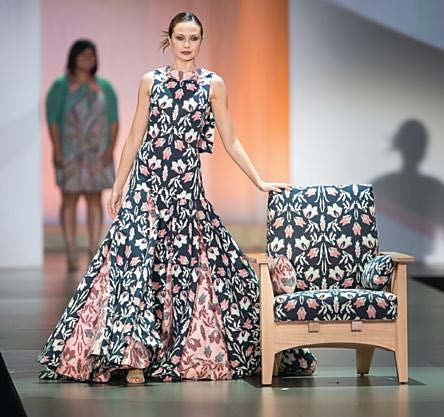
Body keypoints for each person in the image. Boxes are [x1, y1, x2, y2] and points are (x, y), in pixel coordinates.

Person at [37, 12, 316, 385]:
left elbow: (230, 139)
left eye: (194, 38)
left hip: (186, 193)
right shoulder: (150, 81)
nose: (187, 45)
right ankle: (131, 357)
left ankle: (174, 349)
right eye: (181, 37)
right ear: (169, 39)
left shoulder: (213, 85)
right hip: (146, 189)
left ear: (201, 41)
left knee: (190, 271)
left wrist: (259, 180)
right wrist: (119, 185)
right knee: (132, 268)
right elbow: (135, 136)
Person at [46, 39, 119, 271]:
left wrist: (110, 149)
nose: (88, 58)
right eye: (83, 54)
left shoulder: (104, 87)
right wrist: (57, 149)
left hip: (97, 152)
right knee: (69, 198)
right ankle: (70, 251)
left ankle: (93, 250)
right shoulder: (60, 86)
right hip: (69, 151)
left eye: (92, 55)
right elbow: (53, 120)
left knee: (95, 198)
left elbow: (114, 121)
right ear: (73, 57)